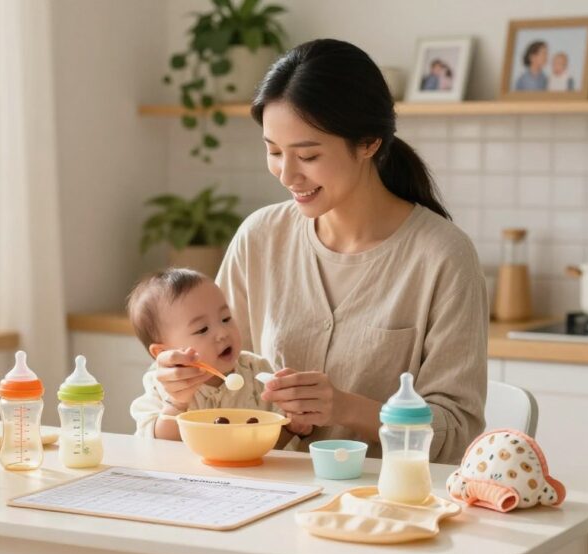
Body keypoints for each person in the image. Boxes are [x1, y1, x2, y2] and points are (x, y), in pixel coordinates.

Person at [151, 39, 488, 464]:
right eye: (273, 151)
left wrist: (348, 408)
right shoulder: (259, 238)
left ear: (368, 143)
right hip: (261, 491)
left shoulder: (442, 257)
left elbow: (457, 433)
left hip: (381, 503)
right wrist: (178, 385)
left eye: (307, 155)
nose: (287, 174)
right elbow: (211, 384)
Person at [127, 268, 311, 443]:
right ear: (164, 352)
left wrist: (293, 427)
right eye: (202, 329)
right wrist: (177, 404)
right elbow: (158, 446)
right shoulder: (161, 385)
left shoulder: (257, 369)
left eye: (225, 318)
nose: (223, 332)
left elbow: (274, 447)